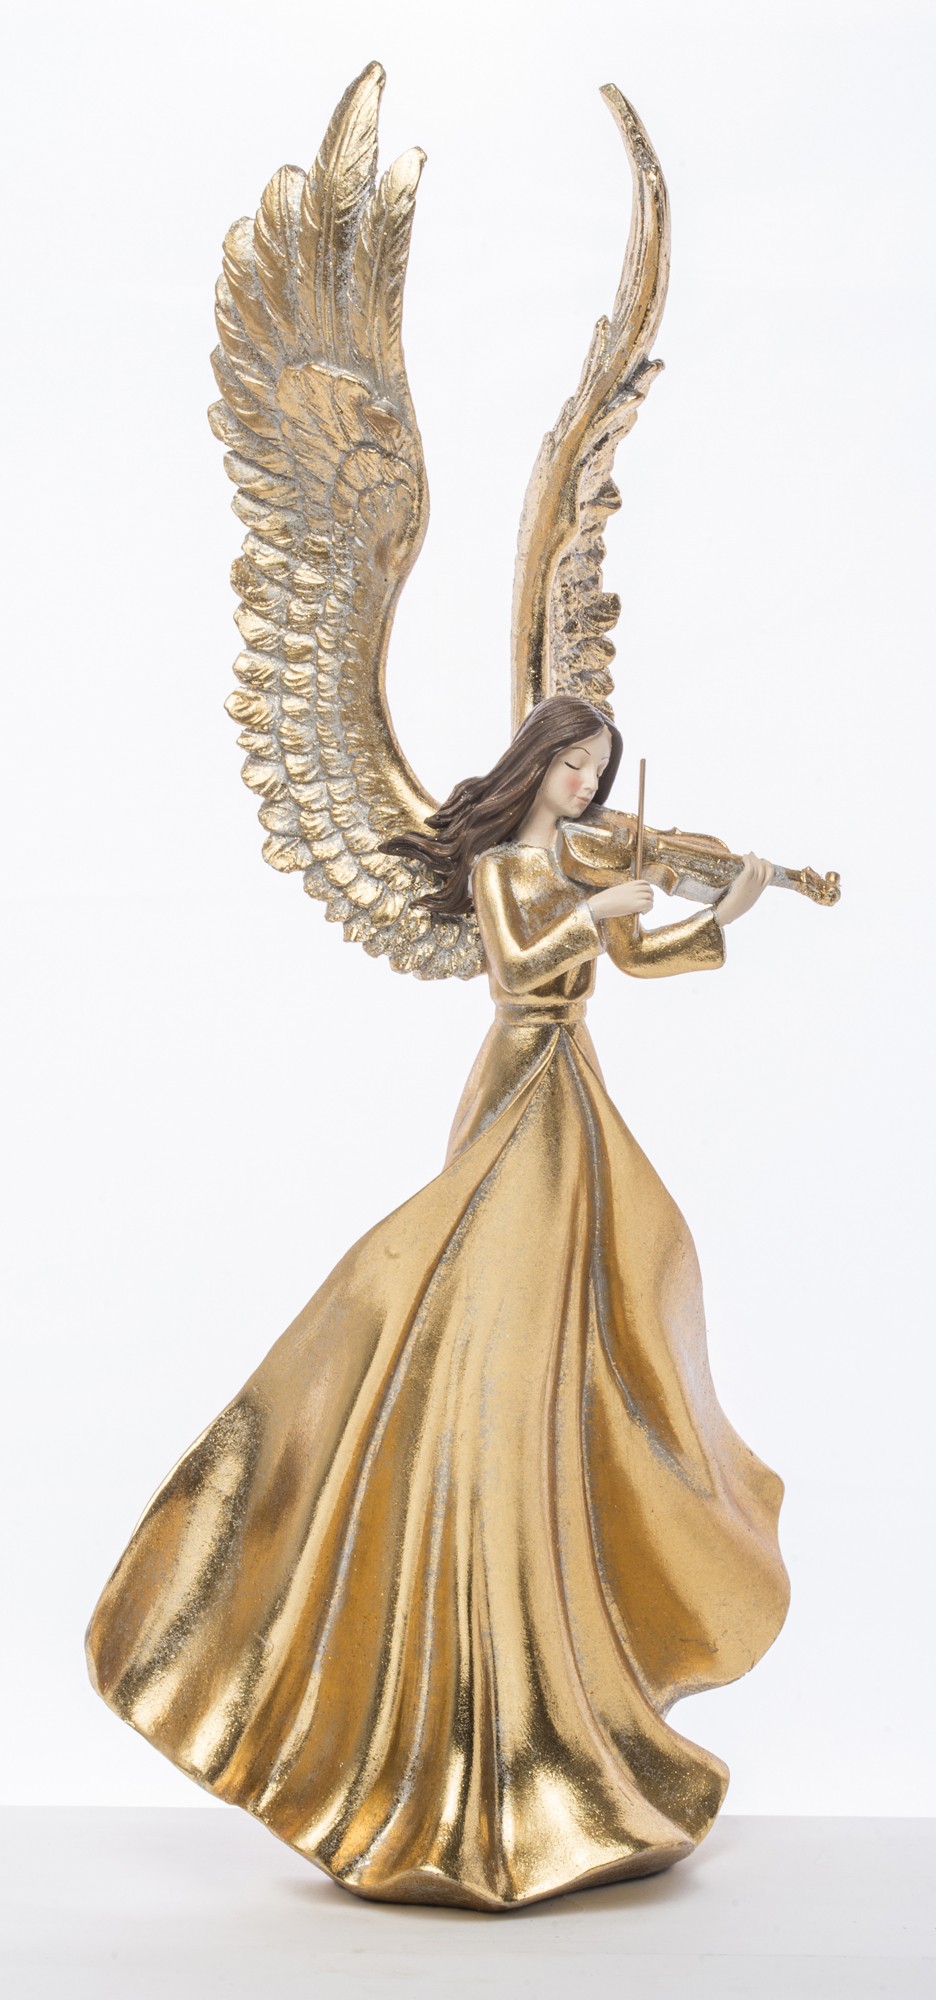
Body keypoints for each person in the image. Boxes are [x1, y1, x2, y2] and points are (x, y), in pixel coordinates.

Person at [86, 694, 788, 1911]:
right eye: (574, 764)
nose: (587, 785)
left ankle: (561, 1657)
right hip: (522, 1081)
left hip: (572, 1087)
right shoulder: (514, 868)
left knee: (576, 1327)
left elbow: (634, 961)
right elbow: (524, 967)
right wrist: (599, 907)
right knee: (489, 1320)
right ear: (537, 764)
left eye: (599, 768)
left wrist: (718, 914)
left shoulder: (574, 865)